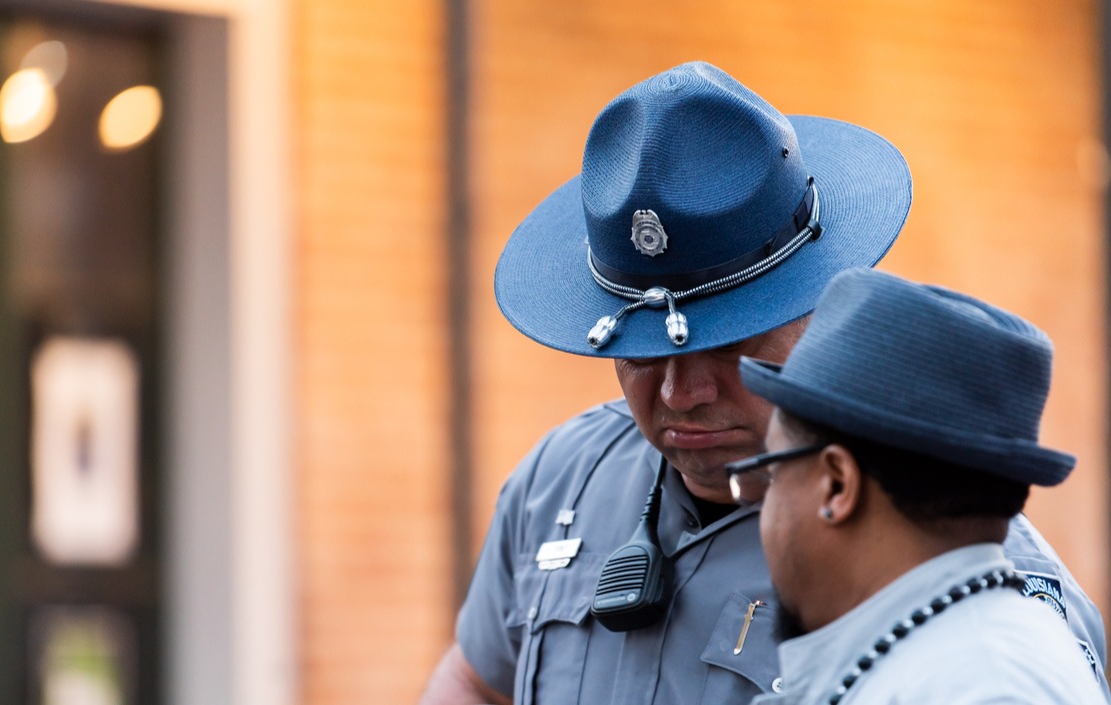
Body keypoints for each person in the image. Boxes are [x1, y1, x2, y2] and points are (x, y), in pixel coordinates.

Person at [417, 61, 1107, 705]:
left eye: (730, 342)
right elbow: (473, 675)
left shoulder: (935, 551)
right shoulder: (561, 479)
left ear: (817, 304)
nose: (681, 392)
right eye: (640, 351)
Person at [729, 267, 1108, 704]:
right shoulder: (967, 655)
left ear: (837, 485)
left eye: (772, 475)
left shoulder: (980, 685)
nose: (766, 504)